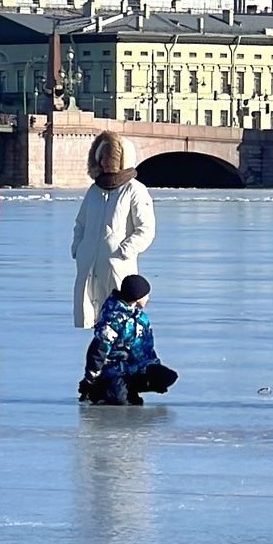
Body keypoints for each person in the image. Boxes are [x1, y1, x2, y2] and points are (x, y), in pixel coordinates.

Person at [71, 130, 155, 329]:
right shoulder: (94, 190)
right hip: (89, 264)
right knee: (94, 318)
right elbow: (81, 224)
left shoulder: (135, 190)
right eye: (101, 157)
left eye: (109, 157)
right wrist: (78, 248)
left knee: (119, 321)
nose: (104, 162)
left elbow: (145, 229)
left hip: (117, 266)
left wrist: (124, 251)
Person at [78, 274, 177, 405]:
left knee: (167, 377)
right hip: (113, 369)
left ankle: (130, 388)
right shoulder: (113, 319)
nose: (148, 298)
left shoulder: (141, 319)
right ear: (137, 297)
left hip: (135, 367)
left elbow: (147, 347)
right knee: (119, 399)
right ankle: (100, 390)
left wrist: (153, 369)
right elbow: (98, 350)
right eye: (146, 295)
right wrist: (91, 379)